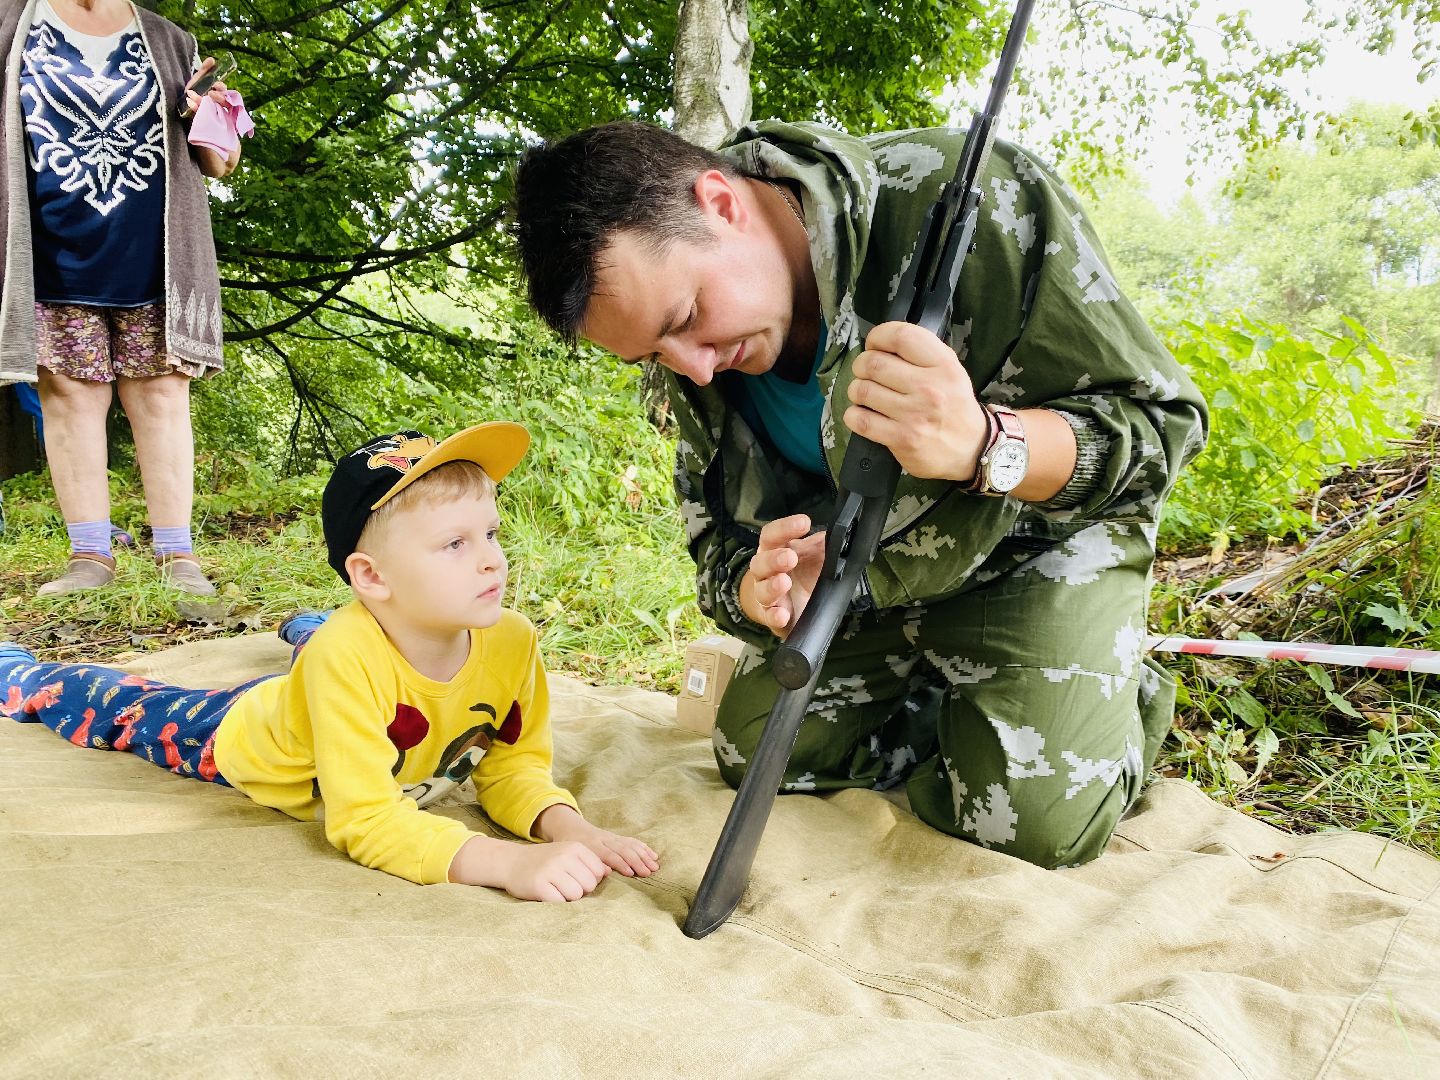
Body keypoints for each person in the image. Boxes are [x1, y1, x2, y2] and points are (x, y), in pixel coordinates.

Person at [513, 120, 1209, 869]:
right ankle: (968, 693)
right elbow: (714, 542)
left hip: (1031, 544)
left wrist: (986, 443)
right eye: (655, 354)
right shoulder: (698, 362)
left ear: (719, 201)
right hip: (866, 579)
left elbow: (1162, 435)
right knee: (754, 754)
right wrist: (756, 590)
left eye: (685, 320)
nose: (697, 370)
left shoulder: (965, 198)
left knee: (1033, 823)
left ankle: (1104, 696)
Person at [1, 422, 661, 899]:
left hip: (353, 671)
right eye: (454, 543)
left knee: (338, 650)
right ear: (371, 576)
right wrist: (498, 862)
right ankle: (19, 673)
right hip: (244, 734)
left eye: (491, 533)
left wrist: (569, 829)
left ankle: (305, 628)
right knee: (125, 708)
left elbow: (513, 765)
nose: (492, 558)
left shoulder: (511, 641)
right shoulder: (348, 657)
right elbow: (366, 820)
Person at [0, 0, 242, 597]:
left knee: (161, 396)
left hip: (155, 258)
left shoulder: (170, 41)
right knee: (69, 397)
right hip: (50, 253)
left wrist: (206, 114)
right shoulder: (10, 24)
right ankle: (90, 556)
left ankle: (177, 556)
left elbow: (222, 162)